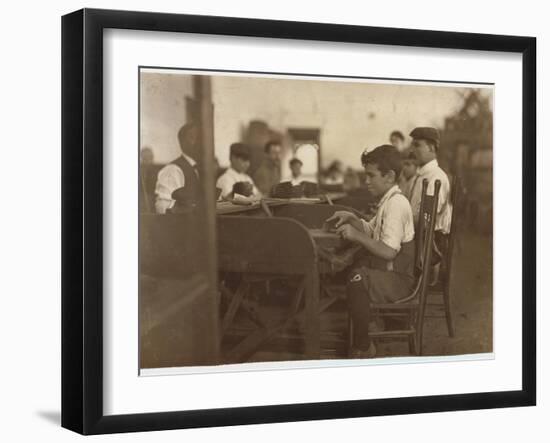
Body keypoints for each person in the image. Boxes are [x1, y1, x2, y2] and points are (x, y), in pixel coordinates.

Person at [326, 145, 415, 358]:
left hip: (400, 279)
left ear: (389, 176)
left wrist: (356, 236)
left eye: (370, 175)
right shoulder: (389, 200)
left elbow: (388, 252)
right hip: (391, 272)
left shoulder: (396, 204)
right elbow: (372, 230)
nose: (366, 181)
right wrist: (353, 219)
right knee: (356, 269)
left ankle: (364, 345)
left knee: (357, 278)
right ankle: (365, 325)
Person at [408, 127, 452, 283]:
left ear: (431, 147)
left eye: (417, 145)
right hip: (420, 237)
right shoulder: (421, 176)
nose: (412, 149)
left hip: (429, 245)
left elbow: (426, 220)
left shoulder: (435, 177)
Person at [154, 124, 201, 214]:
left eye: (200, 138)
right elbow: (162, 209)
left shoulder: (201, 169)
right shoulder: (172, 170)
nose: (198, 142)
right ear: (182, 142)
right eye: (192, 137)